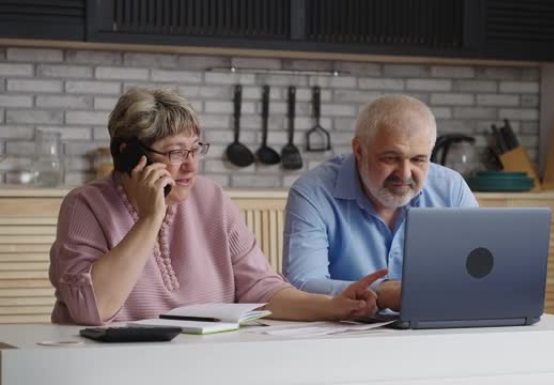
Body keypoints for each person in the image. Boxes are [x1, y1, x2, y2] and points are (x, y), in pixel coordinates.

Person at [49, 87, 384, 325]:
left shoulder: (212, 199)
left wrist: (332, 306)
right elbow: (91, 310)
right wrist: (151, 218)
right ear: (130, 156)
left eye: (196, 150)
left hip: (208, 363)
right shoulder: (86, 205)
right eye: (176, 153)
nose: (191, 166)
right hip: (114, 368)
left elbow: (261, 288)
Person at [283, 94, 478, 311]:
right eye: (390, 158)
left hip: (433, 329)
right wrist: (382, 293)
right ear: (359, 151)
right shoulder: (313, 192)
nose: (404, 174)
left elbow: (478, 273)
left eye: (418, 160)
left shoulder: (451, 189)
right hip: (345, 335)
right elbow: (302, 285)